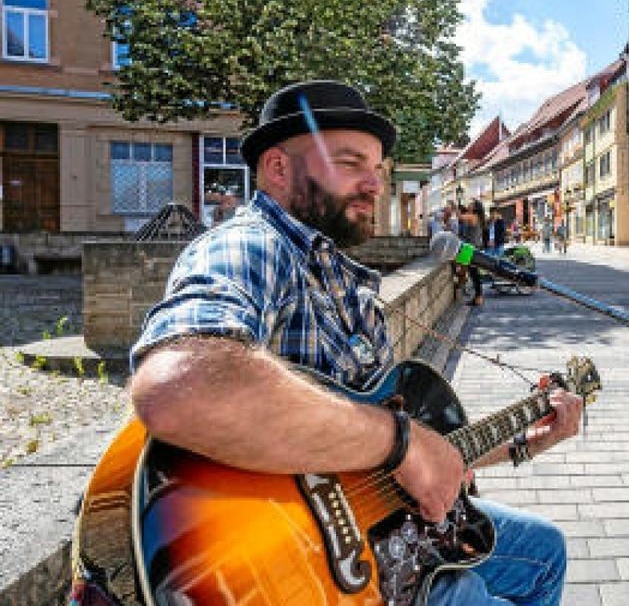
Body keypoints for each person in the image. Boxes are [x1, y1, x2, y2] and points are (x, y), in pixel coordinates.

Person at [126, 80, 582, 605]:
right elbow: (180, 386)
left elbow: (406, 449)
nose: (374, 185)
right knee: (471, 589)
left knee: (544, 551)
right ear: (278, 169)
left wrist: (527, 439)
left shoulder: (345, 281)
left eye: (378, 169)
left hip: (383, 529)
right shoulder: (251, 245)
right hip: (301, 563)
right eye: (350, 164)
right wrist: (400, 441)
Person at [458, 199, 486, 306]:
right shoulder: (477, 217)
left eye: (471, 204)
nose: (468, 204)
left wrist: (456, 207)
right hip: (472, 247)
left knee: (473, 273)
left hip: (469, 248)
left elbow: (460, 217)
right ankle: (464, 286)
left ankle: (478, 297)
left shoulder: (473, 216)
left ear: (474, 208)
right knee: (471, 272)